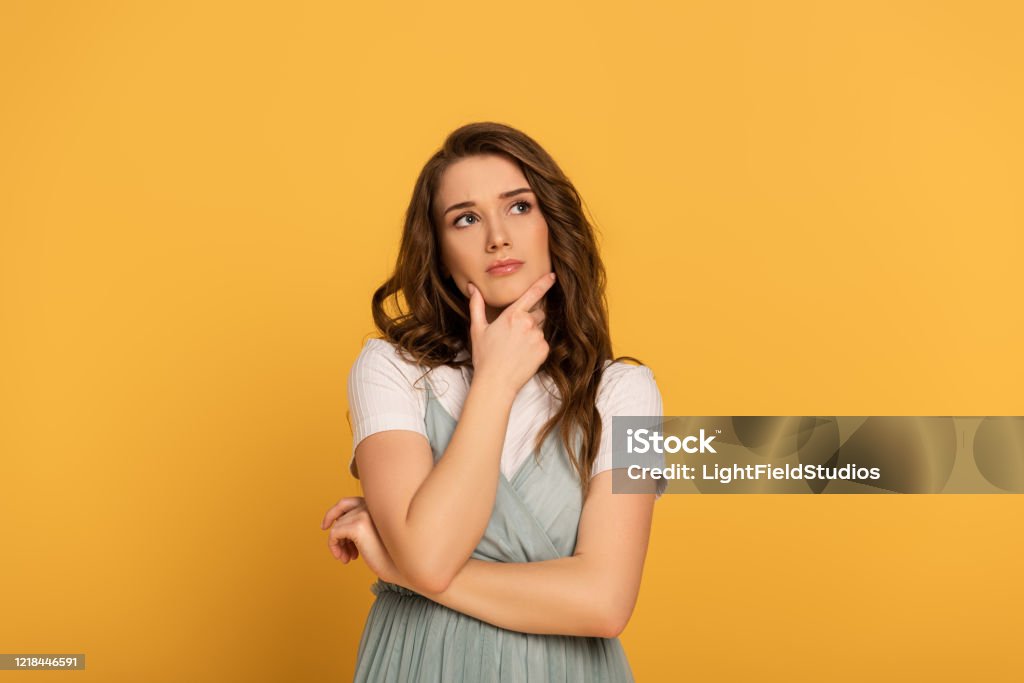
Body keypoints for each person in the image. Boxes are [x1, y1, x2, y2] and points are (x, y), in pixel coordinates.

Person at [320, 122, 665, 682]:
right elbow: (430, 556)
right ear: (439, 250)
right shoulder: (390, 371)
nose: (497, 237)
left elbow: (604, 603)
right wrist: (494, 383)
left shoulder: (626, 394)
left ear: (554, 224)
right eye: (466, 218)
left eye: (519, 207)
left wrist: (401, 569)